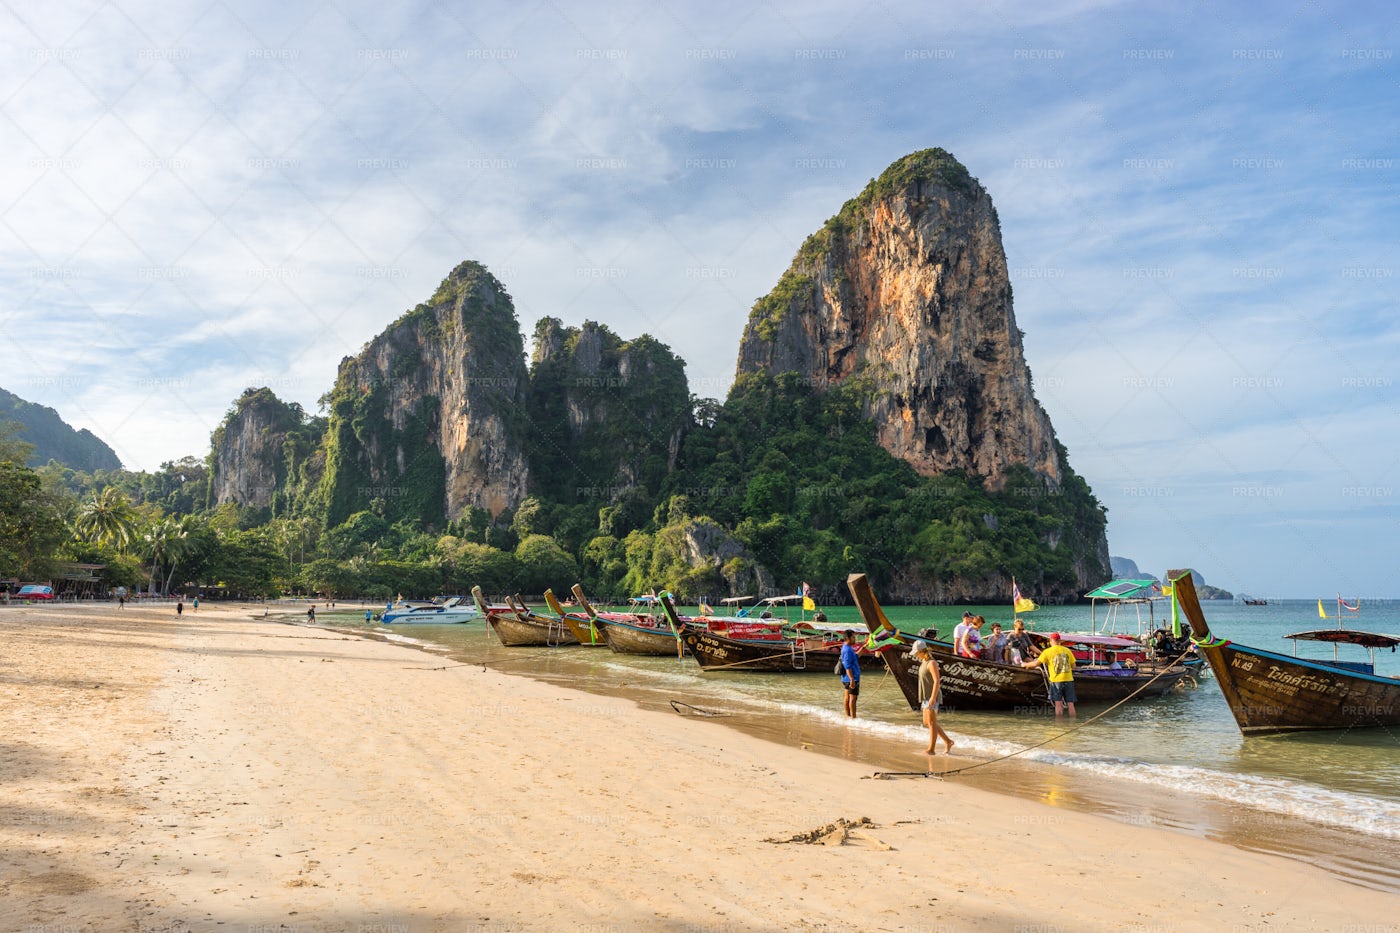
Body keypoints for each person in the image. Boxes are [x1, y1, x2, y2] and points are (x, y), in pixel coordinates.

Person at [911, 641, 954, 754]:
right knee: (927, 722)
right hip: (926, 696)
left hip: (932, 696)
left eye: (916, 653)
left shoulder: (931, 663)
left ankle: (931, 749)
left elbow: (937, 681)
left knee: (931, 723)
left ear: (921, 651)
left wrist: (933, 697)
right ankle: (948, 741)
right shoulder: (923, 661)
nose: (915, 655)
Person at [1022, 632, 1077, 717]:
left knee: (1058, 704)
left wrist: (1025, 665)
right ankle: (1073, 723)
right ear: (1059, 641)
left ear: (1051, 641)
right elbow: (1074, 667)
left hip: (1056, 681)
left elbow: (1036, 664)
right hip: (1069, 679)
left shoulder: (1047, 652)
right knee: (1070, 704)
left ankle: (1059, 725)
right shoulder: (1067, 651)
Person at [839, 629, 861, 718]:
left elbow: (856, 656)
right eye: (853, 637)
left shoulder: (847, 648)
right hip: (852, 678)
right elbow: (847, 665)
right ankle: (853, 718)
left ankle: (848, 716)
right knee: (853, 699)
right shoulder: (847, 650)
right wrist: (852, 679)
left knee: (847, 697)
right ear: (847, 638)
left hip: (845, 678)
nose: (855, 639)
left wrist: (863, 647)